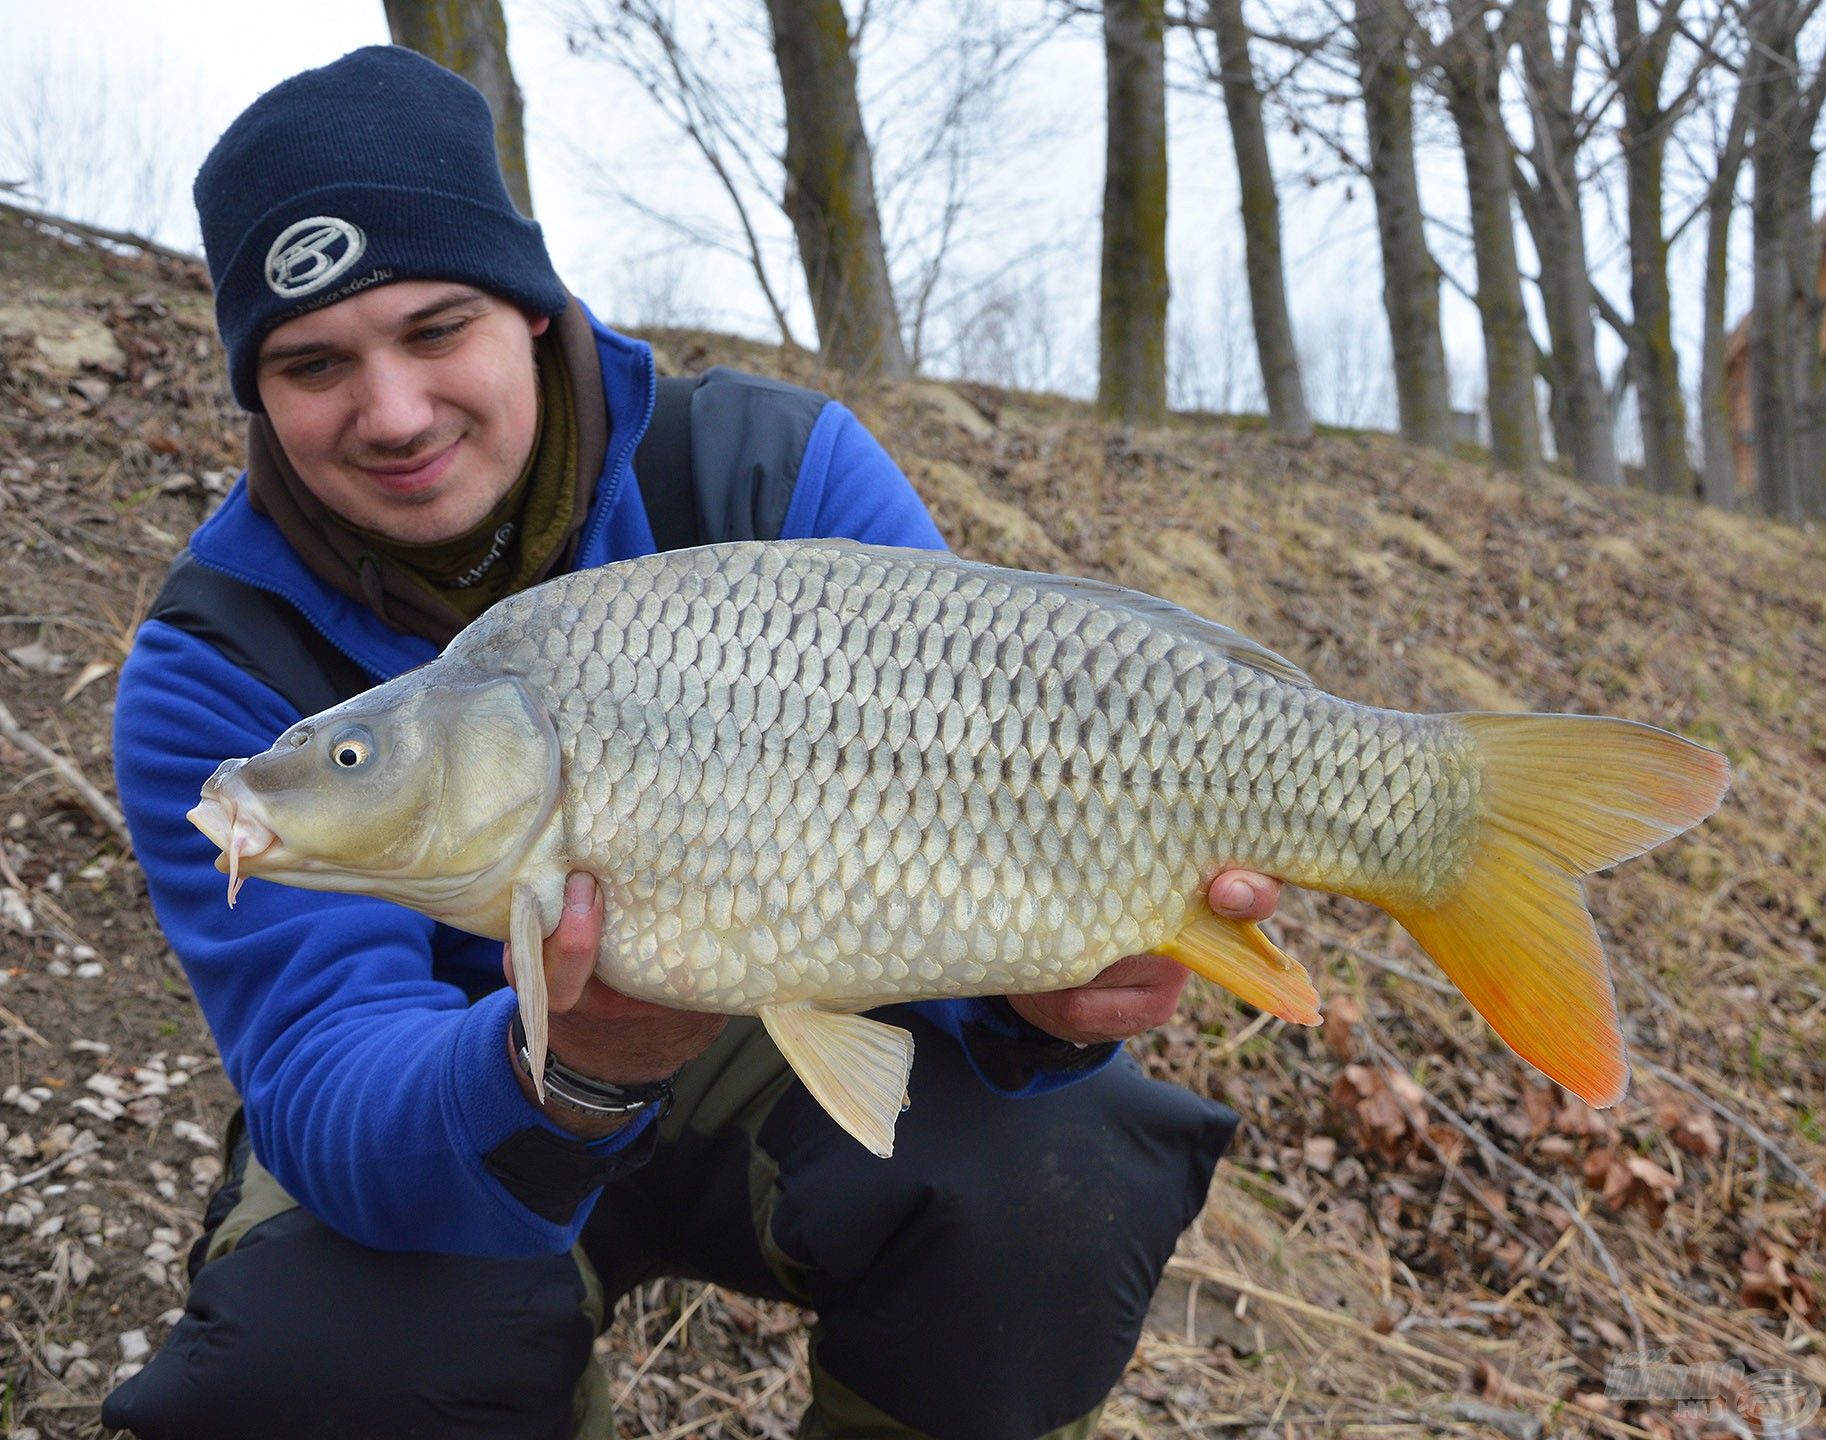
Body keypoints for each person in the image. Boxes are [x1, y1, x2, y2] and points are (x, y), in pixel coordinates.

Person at [104, 45, 1283, 1440]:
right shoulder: (217, 670)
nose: (395, 413)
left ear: (531, 310)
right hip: (450, 1119)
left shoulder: (774, 479)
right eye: (312, 364)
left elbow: (971, 833)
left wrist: (1032, 1006)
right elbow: (328, 1073)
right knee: (301, 1379)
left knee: (1064, 1159)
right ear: (258, 390)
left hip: (770, 1065)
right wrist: (574, 1065)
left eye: (435, 330)